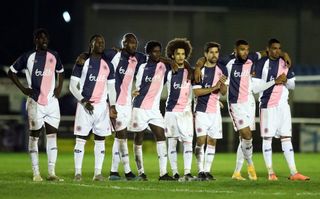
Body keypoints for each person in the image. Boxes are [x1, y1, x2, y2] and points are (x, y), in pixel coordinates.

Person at [8, 28, 64, 181]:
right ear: (35, 40)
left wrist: (59, 88)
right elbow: (11, 72)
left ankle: (52, 173)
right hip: (35, 102)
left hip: (52, 102)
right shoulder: (28, 57)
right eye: (40, 38)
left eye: (46, 37)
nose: (44, 40)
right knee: (34, 137)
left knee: (52, 136)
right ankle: (36, 173)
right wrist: (23, 89)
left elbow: (61, 71)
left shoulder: (54, 55)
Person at [252, 38, 310, 181]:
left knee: (286, 138)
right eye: (274, 48)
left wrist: (285, 81)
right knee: (267, 139)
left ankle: (294, 172)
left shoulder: (285, 62)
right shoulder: (261, 63)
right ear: (268, 49)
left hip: (283, 106)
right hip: (267, 106)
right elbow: (255, 88)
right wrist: (274, 81)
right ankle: (271, 173)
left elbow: (292, 85)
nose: (277, 51)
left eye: (279, 48)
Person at [69, 34, 117, 181]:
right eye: (98, 42)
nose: (101, 44)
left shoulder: (108, 64)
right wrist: (83, 101)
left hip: (102, 107)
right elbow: (72, 86)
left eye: (103, 42)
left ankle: (97, 173)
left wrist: (112, 106)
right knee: (81, 139)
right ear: (91, 44)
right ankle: (78, 173)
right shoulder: (82, 62)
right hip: (85, 106)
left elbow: (112, 88)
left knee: (100, 140)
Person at [129, 40, 174, 181]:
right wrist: (131, 92)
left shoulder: (163, 66)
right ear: (148, 53)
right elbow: (129, 78)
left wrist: (167, 60)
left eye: (158, 51)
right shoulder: (141, 67)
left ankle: (163, 173)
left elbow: (178, 64)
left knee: (161, 136)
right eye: (154, 51)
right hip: (140, 108)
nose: (157, 54)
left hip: (154, 110)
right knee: (139, 139)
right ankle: (141, 172)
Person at [193, 42, 227, 181]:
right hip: (201, 111)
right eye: (211, 52)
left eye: (216, 52)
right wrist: (214, 88)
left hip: (215, 112)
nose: (214, 55)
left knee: (212, 141)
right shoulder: (199, 71)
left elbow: (224, 92)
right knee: (201, 140)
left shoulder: (222, 69)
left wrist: (222, 84)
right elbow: (197, 92)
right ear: (206, 54)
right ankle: (200, 170)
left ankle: (207, 171)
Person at [164, 38, 195, 181]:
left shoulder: (192, 72)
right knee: (172, 142)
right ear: (172, 55)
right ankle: (175, 172)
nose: (181, 56)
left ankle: (187, 172)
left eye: (183, 54)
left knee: (188, 142)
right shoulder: (168, 71)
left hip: (186, 112)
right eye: (177, 54)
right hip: (171, 112)